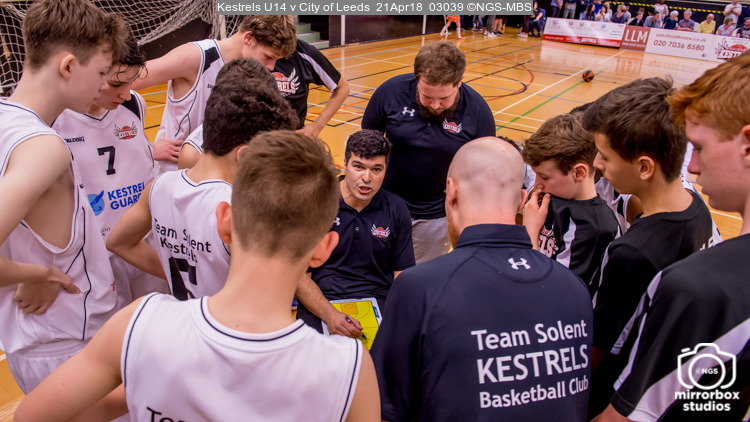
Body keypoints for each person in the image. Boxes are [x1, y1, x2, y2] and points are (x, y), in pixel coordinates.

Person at [15, 130, 381, 422]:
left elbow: (31, 416)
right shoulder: (347, 368)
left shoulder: (140, 324)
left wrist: (146, 387)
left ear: (224, 222)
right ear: (323, 248)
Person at [370, 137, 594, 422]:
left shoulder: (421, 287)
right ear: (522, 200)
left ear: (451, 192)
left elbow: (381, 409)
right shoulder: (574, 289)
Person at [593, 45, 750, 422]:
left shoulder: (697, 288)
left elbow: (628, 413)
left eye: (700, 147)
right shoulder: (696, 210)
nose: (691, 166)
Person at [0, 0, 127, 394]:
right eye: (102, 72)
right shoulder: (43, 146)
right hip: (67, 345)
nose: (104, 85)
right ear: (69, 65)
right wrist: (40, 274)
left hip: (36, 342)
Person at [581, 78, 722, 417]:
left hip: (614, 394)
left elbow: (598, 350)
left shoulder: (634, 253)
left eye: (605, 156)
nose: (597, 164)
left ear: (644, 167)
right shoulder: (695, 207)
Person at [107, 58, 298, 300]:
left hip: (183, 315)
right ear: (245, 154)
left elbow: (117, 242)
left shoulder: (159, 187)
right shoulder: (240, 209)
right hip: (224, 321)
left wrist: (174, 274)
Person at [52, 32, 169, 310]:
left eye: (131, 82)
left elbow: (131, 154)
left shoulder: (133, 104)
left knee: (154, 322)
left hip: (143, 241)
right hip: (94, 254)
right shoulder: (54, 119)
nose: (125, 93)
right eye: (117, 83)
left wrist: (151, 150)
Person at [361, 42, 495, 264]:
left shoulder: (478, 111)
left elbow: (483, 171)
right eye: (427, 96)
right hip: (384, 205)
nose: (435, 105)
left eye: (444, 99)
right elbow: (366, 144)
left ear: (460, 82)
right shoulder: (390, 92)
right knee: (374, 266)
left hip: (436, 217)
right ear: (417, 79)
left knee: (418, 274)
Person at [131, 15, 296, 173]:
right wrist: (147, 148)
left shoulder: (251, 70)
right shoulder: (197, 56)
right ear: (249, 38)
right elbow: (126, 82)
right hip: (178, 173)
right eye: (268, 56)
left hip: (218, 173)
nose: (272, 66)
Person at [296, 130, 415, 336]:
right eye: (358, 167)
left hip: (379, 301)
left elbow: (402, 278)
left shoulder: (396, 208)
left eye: (376, 169)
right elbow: (299, 277)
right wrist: (330, 315)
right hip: (322, 301)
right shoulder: (314, 202)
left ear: (385, 169)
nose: (366, 178)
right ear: (345, 164)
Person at [178, 35, 352, 169]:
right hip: (250, 149)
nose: (271, 66)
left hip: (287, 150)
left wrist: (317, 126)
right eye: (269, 57)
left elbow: (342, 87)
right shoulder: (246, 54)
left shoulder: (305, 54)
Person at [522, 113, 620, 289]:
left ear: (579, 173)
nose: (536, 184)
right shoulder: (550, 199)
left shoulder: (595, 228)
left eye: (544, 177)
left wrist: (529, 232)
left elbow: (552, 290)